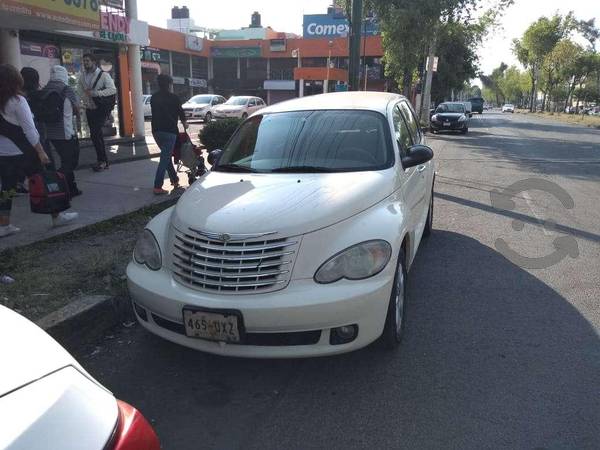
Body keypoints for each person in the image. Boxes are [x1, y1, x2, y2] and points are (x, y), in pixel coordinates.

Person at [0, 64, 78, 237]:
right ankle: (56, 216)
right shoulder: (18, 102)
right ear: (15, 80)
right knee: (45, 181)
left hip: (4, 154)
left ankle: (4, 224)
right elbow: (30, 130)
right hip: (25, 152)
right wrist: (41, 151)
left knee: (7, 189)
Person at [43, 65, 82, 197]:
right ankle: (57, 185)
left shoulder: (45, 89)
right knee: (71, 163)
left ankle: (71, 189)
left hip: (50, 133)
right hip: (66, 133)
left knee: (65, 161)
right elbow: (76, 109)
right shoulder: (66, 89)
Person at [77, 53, 116, 172]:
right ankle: (103, 161)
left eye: (87, 61)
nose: (85, 63)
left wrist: (96, 93)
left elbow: (112, 89)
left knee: (95, 133)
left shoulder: (103, 75)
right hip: (90, 108)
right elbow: (80, 89)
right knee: (95, 135)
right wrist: (84, 99)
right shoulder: (82, 76)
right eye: (84, 61)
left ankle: (102, 161)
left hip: (100, 108)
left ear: (94, 62)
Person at [150, 74, 186, 195]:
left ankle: (174, 180)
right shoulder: (174, 98)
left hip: (156, 131)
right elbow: (181, 112)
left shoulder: (153, 97)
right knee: (164, 159)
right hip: (169, 132)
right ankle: (157, 186)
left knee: (166, 157)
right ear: (170, 84)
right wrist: (184, 123)